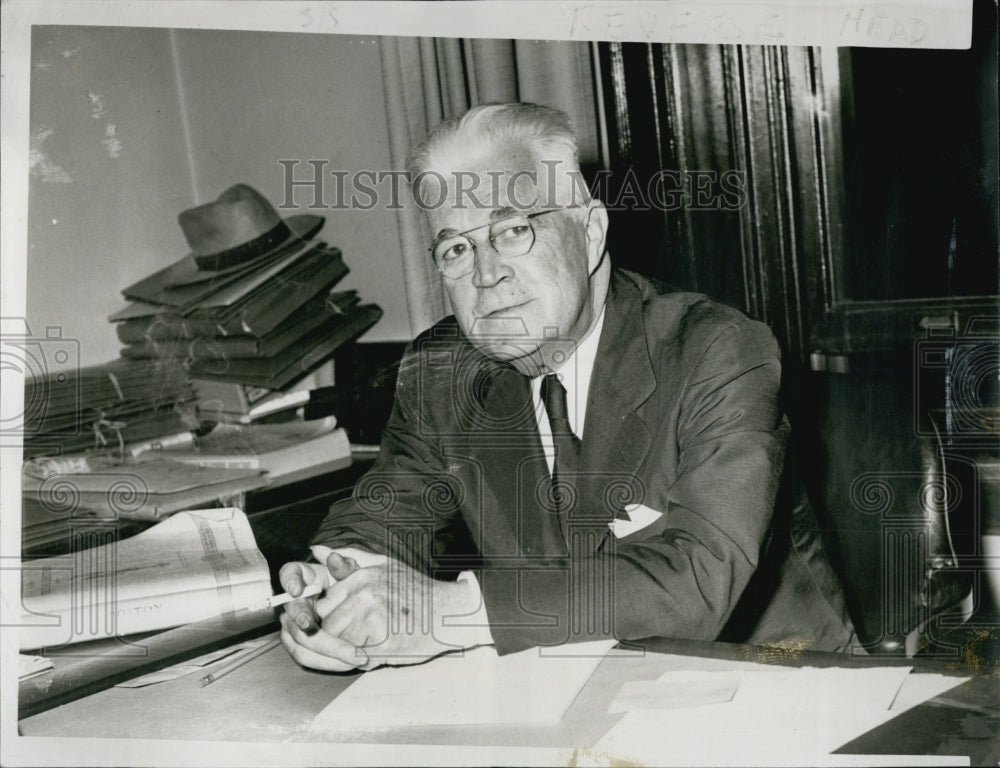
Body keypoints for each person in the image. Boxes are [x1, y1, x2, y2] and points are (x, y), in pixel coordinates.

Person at [279, 103, 857, 672]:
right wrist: (334, 581)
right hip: (561, 687)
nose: (486, 273)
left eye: (512, 230)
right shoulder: (441, 374)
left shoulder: (716, 349)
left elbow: (699, 577)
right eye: (456, 248)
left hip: (764, 679)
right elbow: (387, 512)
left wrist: (447, 612)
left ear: (590, 231)